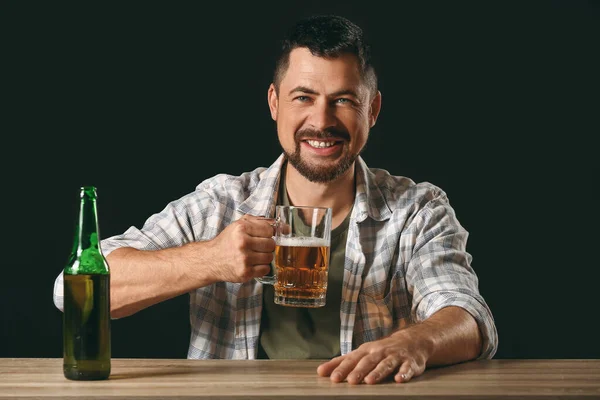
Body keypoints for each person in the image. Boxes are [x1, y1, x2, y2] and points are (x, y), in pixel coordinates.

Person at [53, 14, 498, 384]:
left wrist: (413, 342)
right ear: (274, 103)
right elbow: (71, 291)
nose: (321, 121)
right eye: (303, 97)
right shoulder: (221, 203)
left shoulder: (417, 210)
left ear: (373, 110)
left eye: (343, 100)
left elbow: (467, 317)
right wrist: (210, 260)